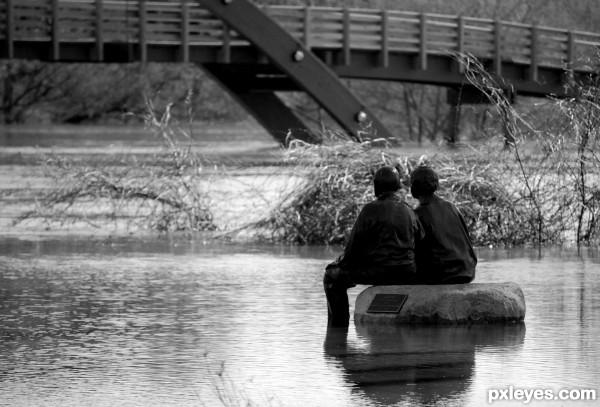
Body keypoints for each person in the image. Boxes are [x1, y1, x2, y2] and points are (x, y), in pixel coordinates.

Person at [324, 166, 424, 326]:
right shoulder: (409, 210)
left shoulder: (370, 209)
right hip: (407, 272)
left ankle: (338, 328)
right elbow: (421, 243)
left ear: (376, 187)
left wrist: (338, 264)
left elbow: (352, 250)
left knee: (331, 277)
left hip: (379, 272)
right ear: (398, 187)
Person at [410, 165, 477, 285]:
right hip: (467, 271)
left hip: (441, 275)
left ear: (414, 188)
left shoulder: (418, 214)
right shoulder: (451, 207)